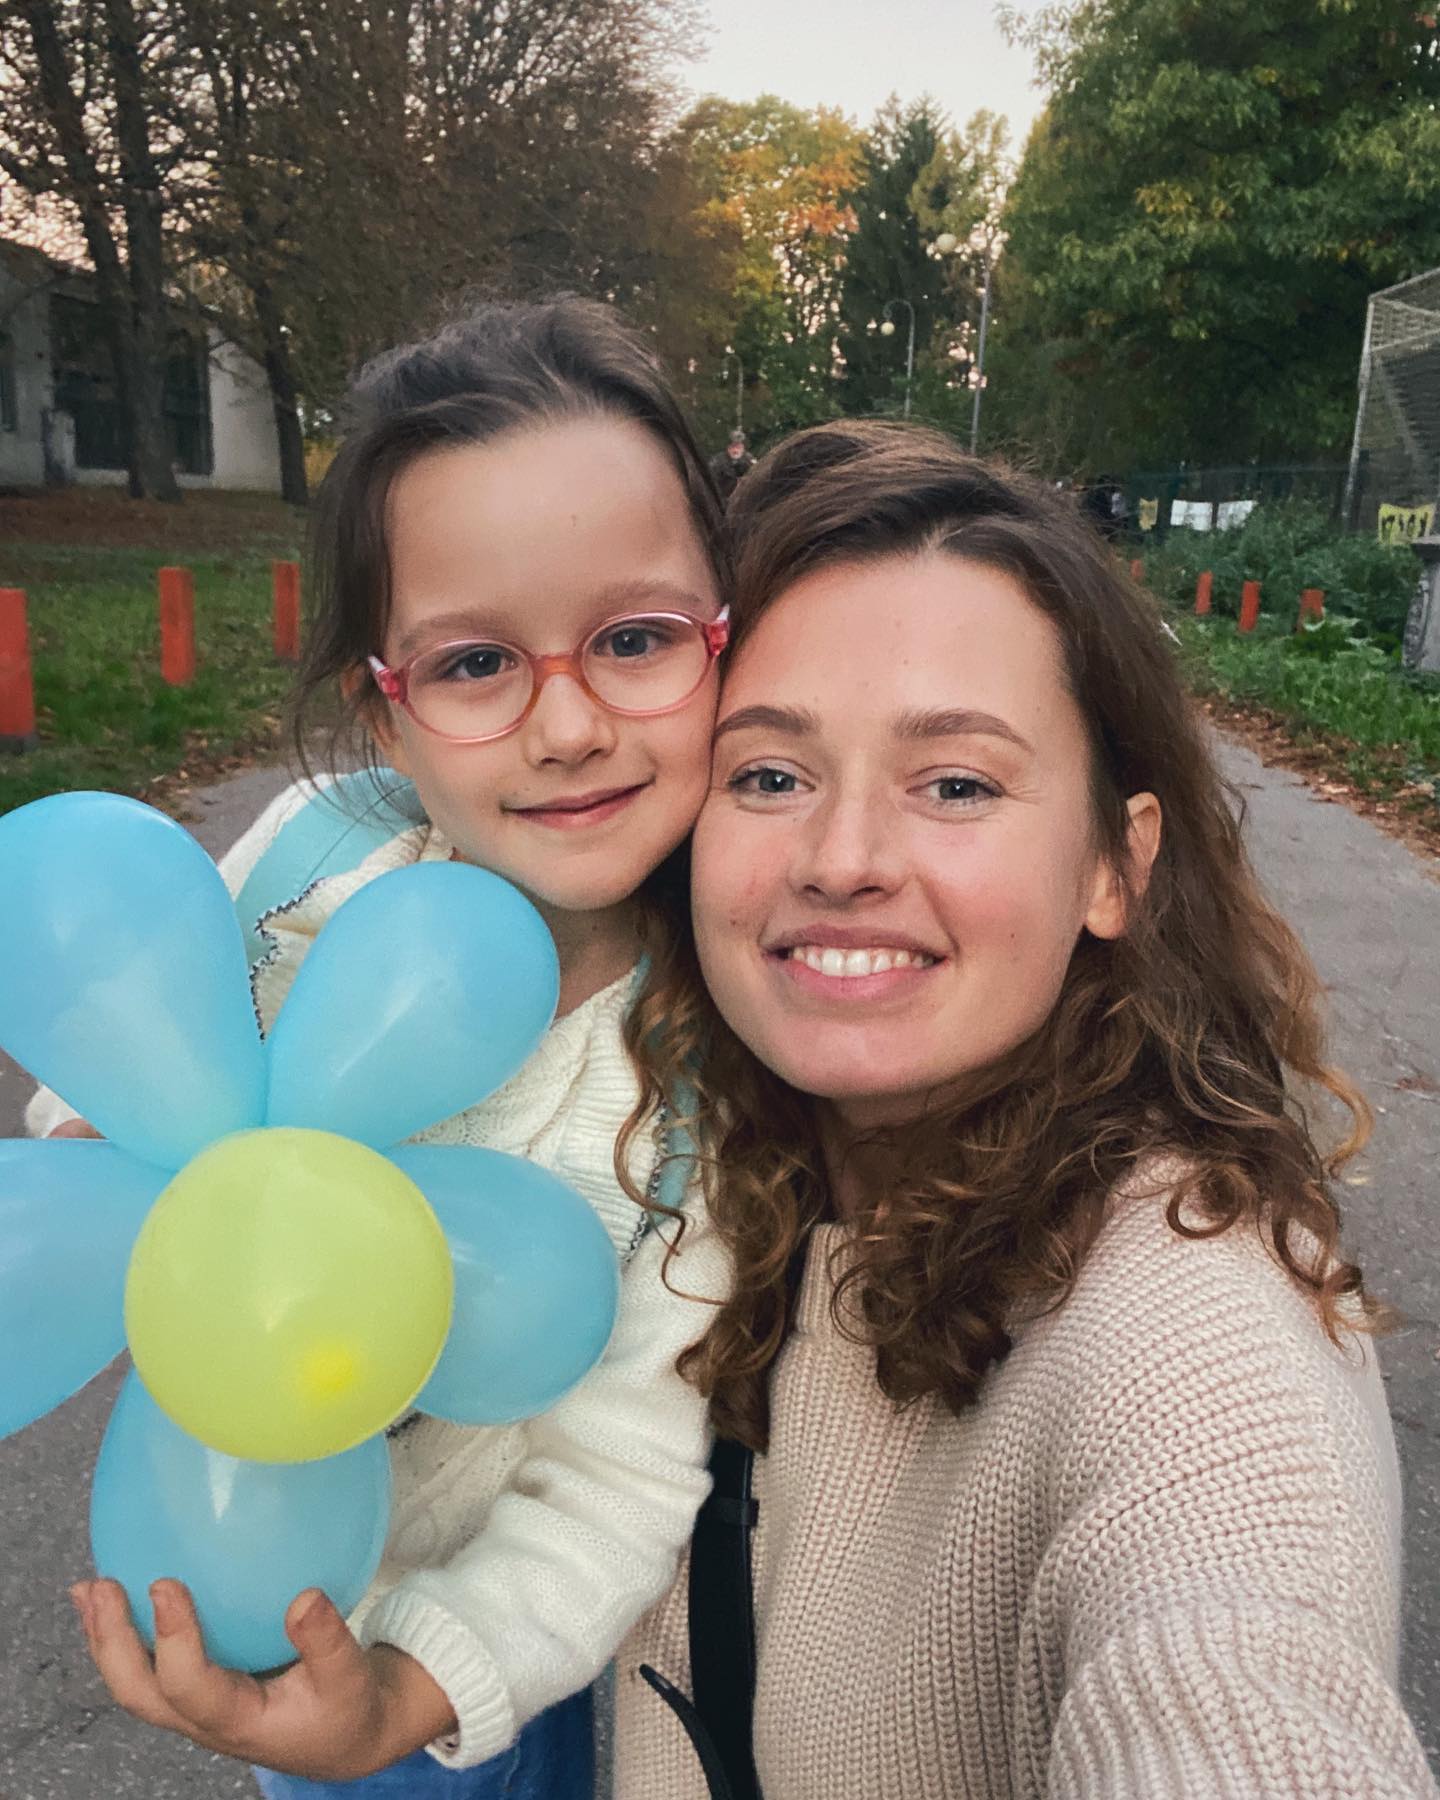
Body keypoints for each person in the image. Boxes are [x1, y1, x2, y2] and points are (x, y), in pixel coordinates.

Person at [614, 419, 1437, 1797]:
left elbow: (1236, 1662)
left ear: (1117, 863)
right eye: (768, 775)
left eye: (957, 783)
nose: (843, 858)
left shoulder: (1194, 1330)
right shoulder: (684, 1185)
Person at [33, 298, 732, 1797]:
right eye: (476, 663)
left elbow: (620, 1471)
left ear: (725, 644)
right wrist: (85, 1153)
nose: (567, 726)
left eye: (634, 640)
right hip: (258, 1570)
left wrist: (413, 1693)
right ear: (387, 715)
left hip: (461, 1668)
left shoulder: (711, 1073)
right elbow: (127, 1038)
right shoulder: (313, 863)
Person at [708, 429, 754, 504]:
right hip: (721, 498)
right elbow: (710, 479)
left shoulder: (749, 459)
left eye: (738, 447)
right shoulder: (718, 460)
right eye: (733, 447)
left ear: (743, 448)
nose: (735, 450)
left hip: (745, 498)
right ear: (728, 448)